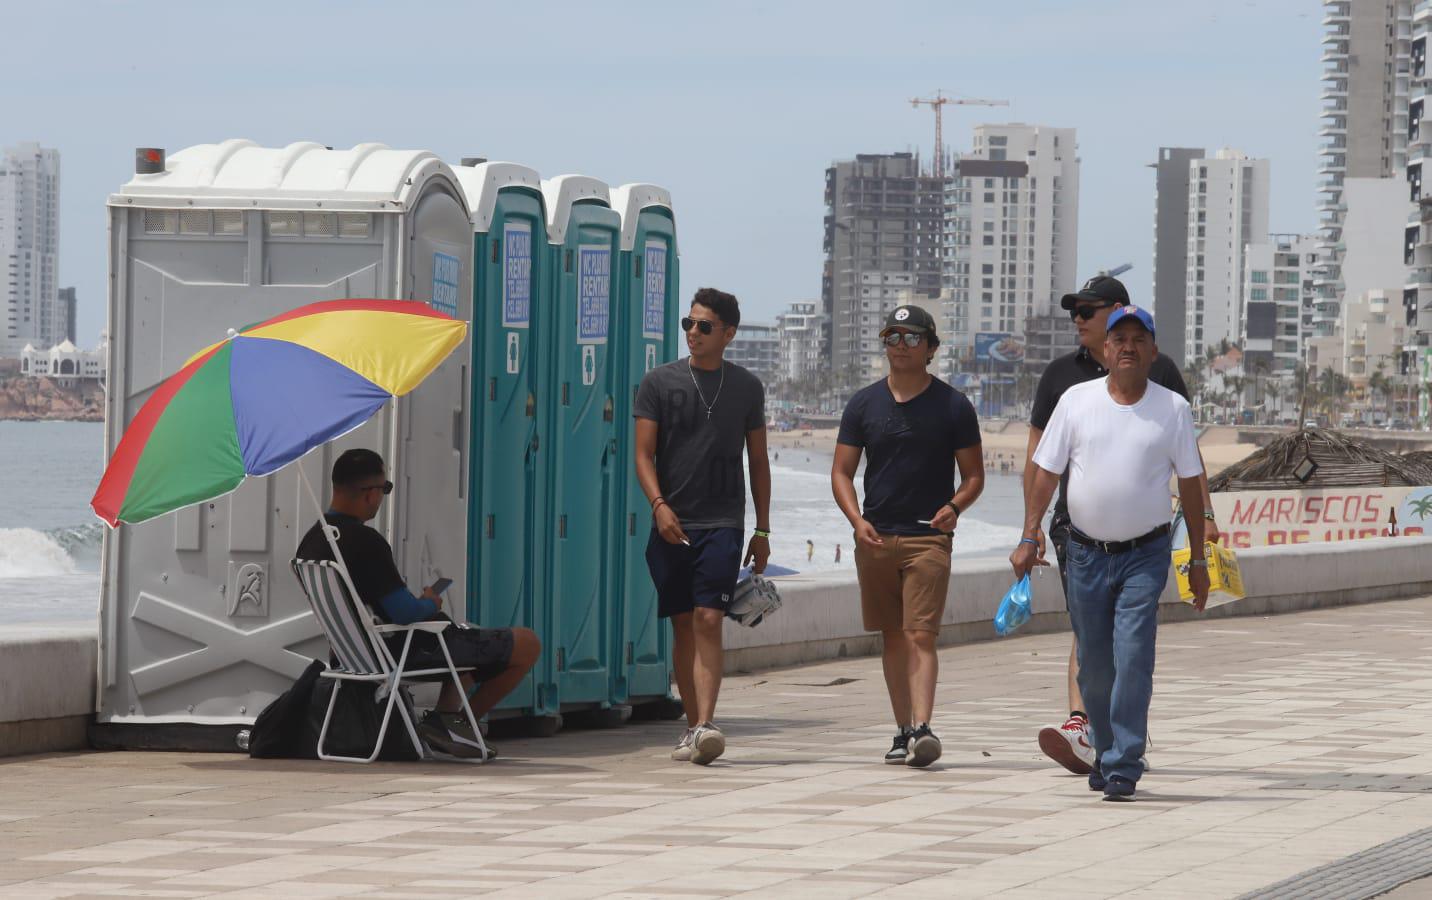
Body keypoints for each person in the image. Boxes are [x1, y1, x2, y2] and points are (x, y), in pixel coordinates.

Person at [1011, 305, 1210, 801]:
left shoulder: (1173, 409)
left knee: (1134, 655)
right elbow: (1046, 473)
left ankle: (1124, 761)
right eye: (1118, 338)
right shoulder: (1076, 402)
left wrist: (1199, 560)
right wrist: (1029, 533)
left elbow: (1190, 485)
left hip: (1145, 554)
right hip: (1084, 554)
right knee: (1095, 666)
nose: (1127, 346)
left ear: (1152, 351)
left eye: (1137, 339)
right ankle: (1103, 746)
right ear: (1105, 350)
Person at [296, 449, 541, 760]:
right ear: (371, 494)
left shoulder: (312, 541)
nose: (382, 496)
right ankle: (460, 723)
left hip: (350, 656)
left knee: (464, 636)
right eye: (385, 489)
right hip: (394, 653)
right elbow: (404, 613)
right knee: (526, 643)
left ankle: (446, 719)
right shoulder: (365, 542)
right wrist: (428, 601)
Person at [832, 304, 984, 767]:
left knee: (921, 634)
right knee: (893, 637)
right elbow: (841, 472)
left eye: (911, 337)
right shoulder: (863, 404)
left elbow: (974, 476)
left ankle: (923, 727)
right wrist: (857, 522)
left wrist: (954, 508)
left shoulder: (954, 406)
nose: (899, 346)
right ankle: (902, 730)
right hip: (875, 538)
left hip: (928, 540)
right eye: (892, 337)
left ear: (931, 348)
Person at [634, 287, 770, 766]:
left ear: (728, 334)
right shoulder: (658, 382)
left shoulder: (747, 387)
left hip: (723, 522)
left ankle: (707, 723)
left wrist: (763, 530)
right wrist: (658, 505)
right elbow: (642, 454)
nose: (693, 332)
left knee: (710, 617)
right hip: (670, 520)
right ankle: (693, 727)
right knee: (684, 624)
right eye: (688, 324)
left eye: (704, 326)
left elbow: (758, 462)